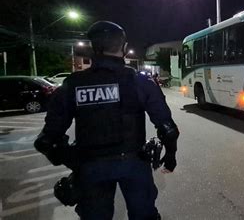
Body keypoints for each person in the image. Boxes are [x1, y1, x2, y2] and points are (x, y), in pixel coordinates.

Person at [34, 21, 179, 220]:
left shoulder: (72, 85)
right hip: (133, 164)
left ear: (93, 48)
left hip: (91, 167)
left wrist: (76, 162)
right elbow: (168, 129)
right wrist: (170, 157)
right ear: (125, 49)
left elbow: (46, 140)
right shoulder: (140, 83)